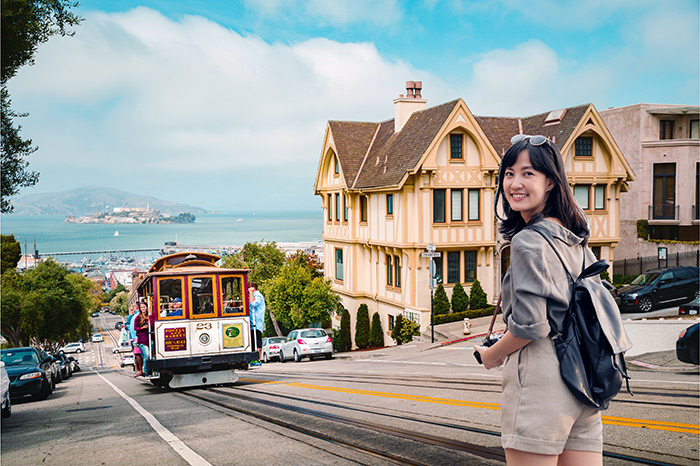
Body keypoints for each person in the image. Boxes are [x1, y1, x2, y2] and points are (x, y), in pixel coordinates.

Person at [474, 134, 619, 466]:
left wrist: (491, 356)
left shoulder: (527, 241)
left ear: (550, 181)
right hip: (584, 385)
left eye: (528, 173)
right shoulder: (574, 237)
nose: (515, 183)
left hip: (540, 388)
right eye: (509, 173)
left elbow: (529, 327)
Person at [248, 282, 265, 368]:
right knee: (252, 342)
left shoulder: (258, 296)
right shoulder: (253, 296)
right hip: (251, 323)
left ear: (252, 288)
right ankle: (253, 359)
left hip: (256, 324)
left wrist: (251, 292)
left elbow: (253, 303)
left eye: (249, 288)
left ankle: (258, 359)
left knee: (257, 341)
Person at [133, 302, 151, 377]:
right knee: (146, 355)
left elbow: (153, 324)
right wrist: (142, 328)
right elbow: (135, 328)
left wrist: (150, 315)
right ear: (140, 309)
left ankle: (150, 370)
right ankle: (146, 371)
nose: (143, 309)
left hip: (150, 338)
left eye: (144, 307)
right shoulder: (138, 317)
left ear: (147, 307)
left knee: (149, 356)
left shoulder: (149, 316)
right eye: (141, 307)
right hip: (142, 339)